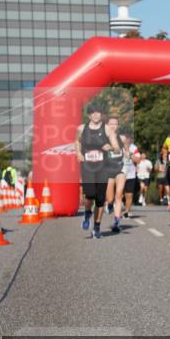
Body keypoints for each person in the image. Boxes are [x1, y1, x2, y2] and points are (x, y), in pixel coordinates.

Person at [74, 102, 119, 239]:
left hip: (103, 167)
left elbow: (117, 147)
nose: (96, 115)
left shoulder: (107, 129)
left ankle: (97, 228)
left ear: (101, 115)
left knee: (100, 198)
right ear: (89, 115)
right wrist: (78, 153)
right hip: (87, 166)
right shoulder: (82, 128)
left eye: (98, 112)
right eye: (93, 113)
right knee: (90, 194)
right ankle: (87, 213)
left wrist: (111, 148)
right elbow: (77, 141)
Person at [103, 116, 126, 231]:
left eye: (115, 124)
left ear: (118, 126)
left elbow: (125, 151)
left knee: (119, 194)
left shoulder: (122, 138)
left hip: (119, 170)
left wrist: (129, 155)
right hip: (107, 171)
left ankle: (117, 222)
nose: (113, 126)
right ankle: (109, 204)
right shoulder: (103, 139)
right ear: (107, 125)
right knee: (110, 198)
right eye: (111, 124)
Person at [121, 134, 141, 216]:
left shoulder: (134, 148)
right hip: (120, 174)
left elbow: (138, 160)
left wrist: (129, 153)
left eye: (129, 139)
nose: (127, 140)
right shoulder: (117, 146)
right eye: (126, 139)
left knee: (129, 194)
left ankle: (127, 211)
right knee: (120, 194)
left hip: (131, 174)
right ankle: (118, 208)